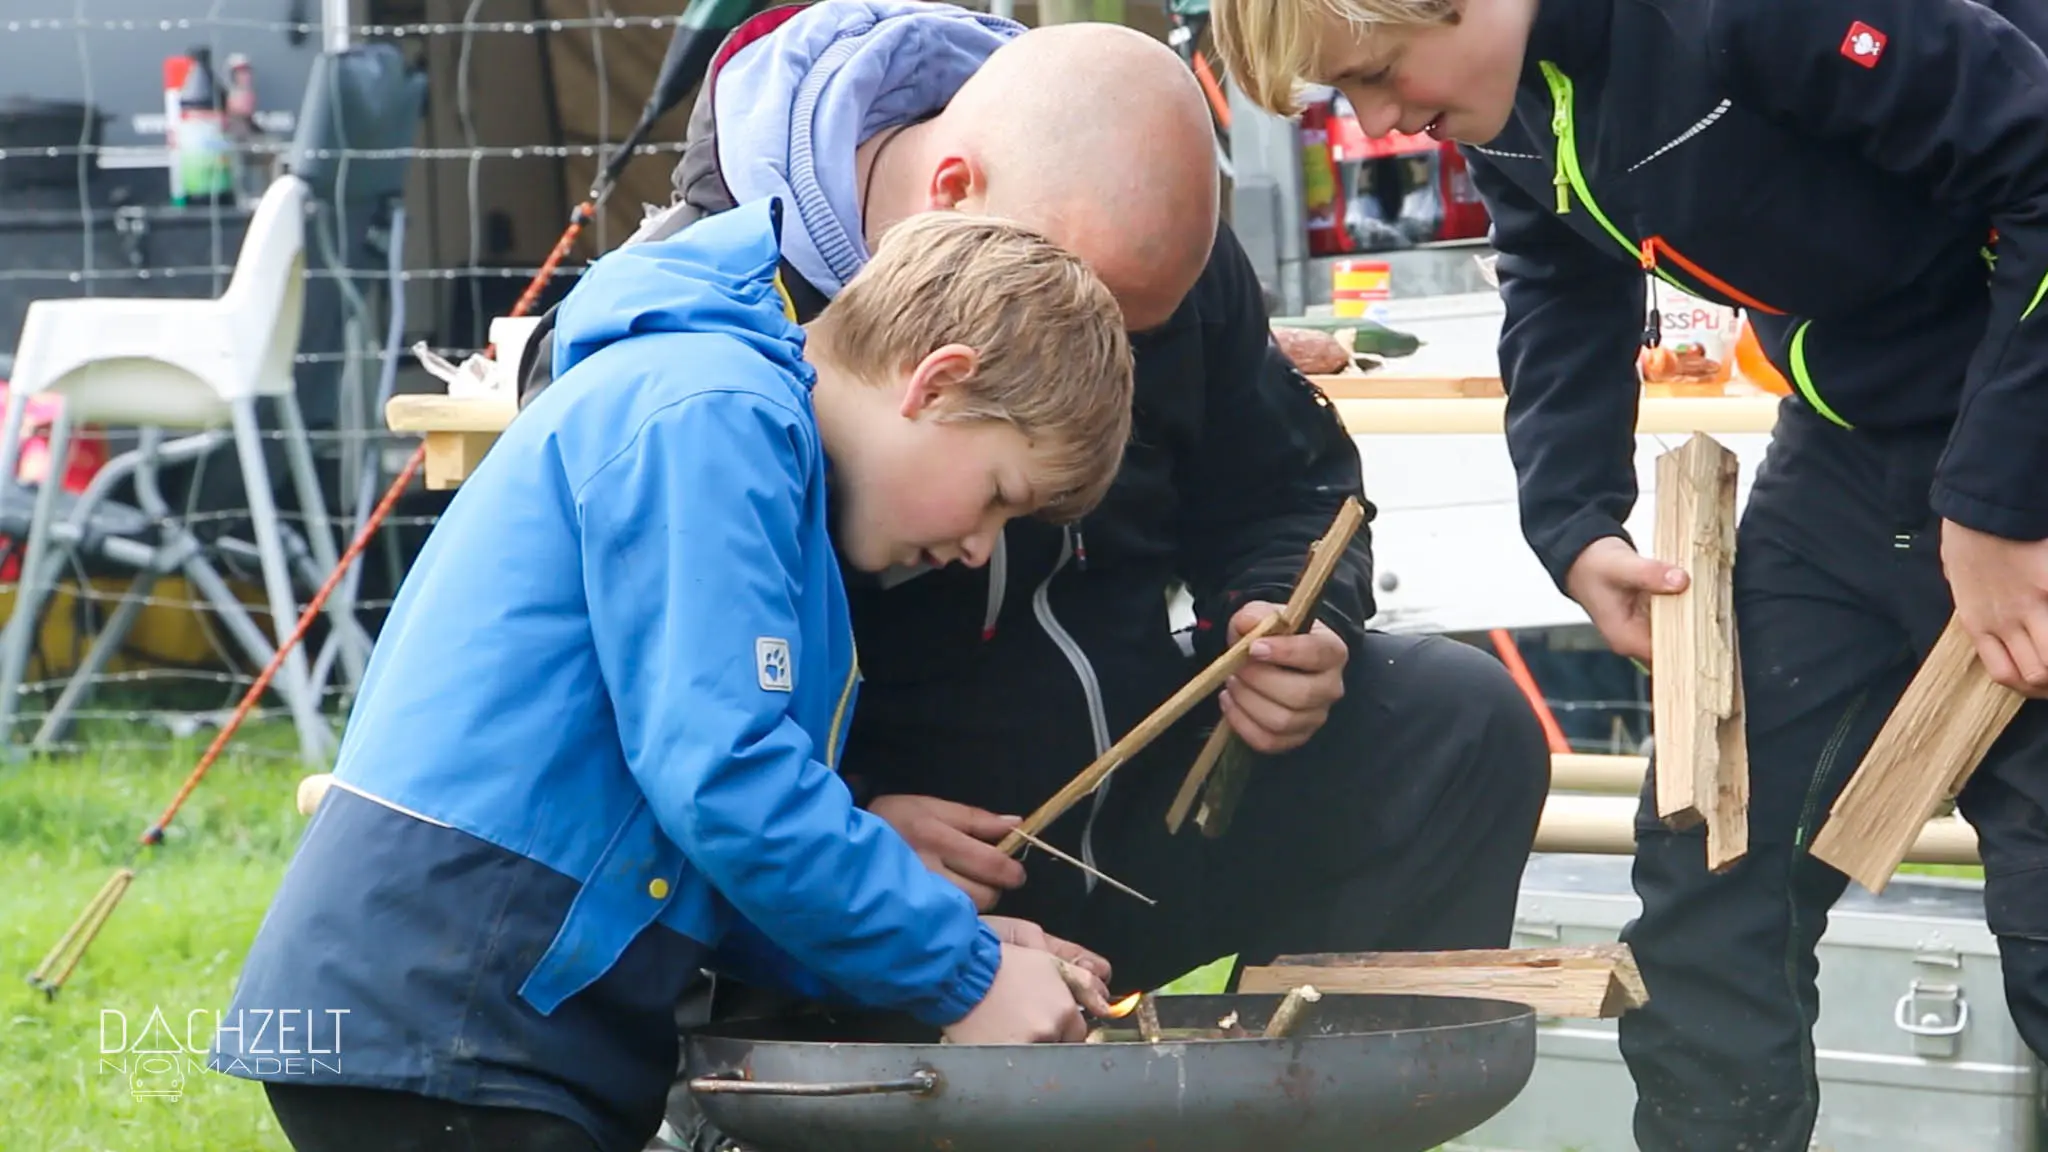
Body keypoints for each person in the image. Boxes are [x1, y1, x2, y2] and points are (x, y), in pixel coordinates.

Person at [513, 6, 1550, 1138]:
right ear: (951, 195)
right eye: (1086, 312)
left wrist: (1283, 615)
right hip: (884, 880)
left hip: (1133, 813)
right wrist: (850, 822)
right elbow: (655, 728)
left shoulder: (1144, 237)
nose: (1103, 368)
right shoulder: (698, 339)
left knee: (1457, 723)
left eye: (1134, 337)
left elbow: (1292, 487)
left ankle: (1305, 1123)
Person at [1211, 0, 2048, 1146]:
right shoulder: (1504, 93)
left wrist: (1999, 499)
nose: (1377, 121)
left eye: (1377, 71)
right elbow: (1555, 264)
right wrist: (1573, 521)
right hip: (1853, 444)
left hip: (2019, 424)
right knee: (1710, 878)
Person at [204, 200, 1137, 1152]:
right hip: (459, 1013)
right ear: (937, 383)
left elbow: (700, 843)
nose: (980, 550)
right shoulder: (718, 417)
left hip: (467, 1014)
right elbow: (727, 781)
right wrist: (962, 973)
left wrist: (946, 936)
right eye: (999, 497)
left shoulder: (737, 428)